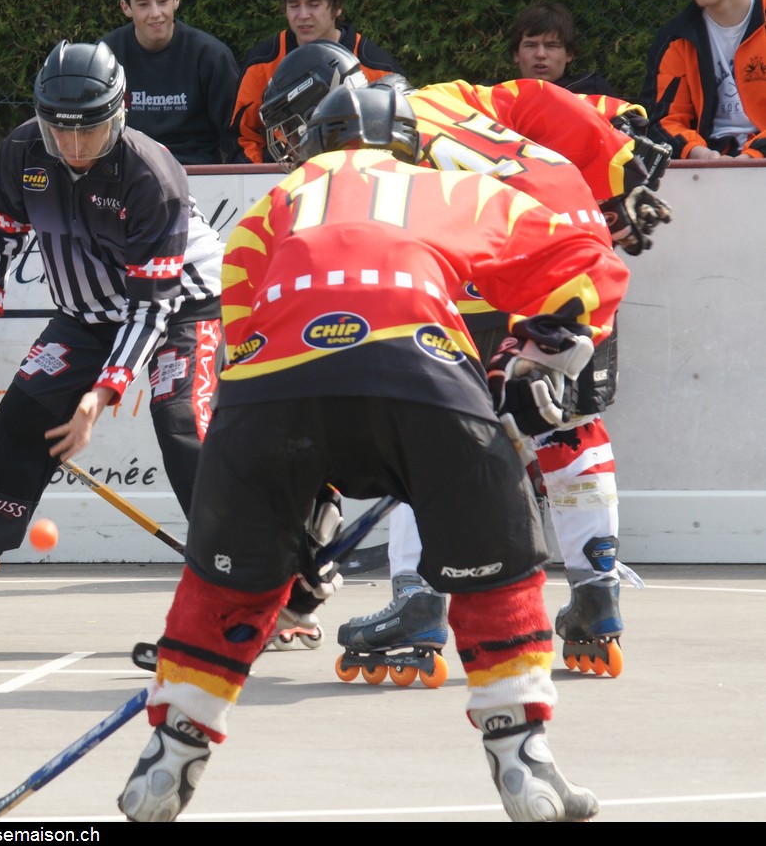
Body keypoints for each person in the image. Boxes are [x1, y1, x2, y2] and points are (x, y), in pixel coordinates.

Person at [118, 83, 627, 823]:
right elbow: (585, 256)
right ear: (409, 145)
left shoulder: (271, 206)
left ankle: (172, 752)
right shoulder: (449, 188)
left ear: (313, 144)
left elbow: (243, 333)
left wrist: (297, 518)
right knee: (499, 564)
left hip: (270, 394)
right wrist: (537, 354)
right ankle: (523, 757)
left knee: (223, 583)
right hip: (421, 376)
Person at [258, 42, 673, 674]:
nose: (292, 148)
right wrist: (619, 173)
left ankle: (418, 602)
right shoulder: (447, 95)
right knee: (570, 427)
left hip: (495, 266)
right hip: (580, 251)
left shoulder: (365, 159)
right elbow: (548, 102)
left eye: (295, 127)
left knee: (414, 428)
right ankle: (598, 598)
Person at [0, 40, 224, 630]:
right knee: (21, 418)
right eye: (60, 130)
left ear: (121, 113)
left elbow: (150, 310)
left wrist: (99, 396)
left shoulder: (151, 175)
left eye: (90, 130)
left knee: (182, 422)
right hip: (86, 314)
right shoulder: (24, 151)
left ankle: (250, 578)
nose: (74, 147)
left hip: (182, 305)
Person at [229, 0, 401, 166]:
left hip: (356, 174)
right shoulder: (262, 63)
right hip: (281, 176)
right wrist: (262, 173)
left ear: (337, 7)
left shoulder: (376, 66)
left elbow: (400, 136)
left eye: (313, 5)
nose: (303, 15)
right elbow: (242, 136)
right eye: (294, 6)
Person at [100, 0, 245, 165]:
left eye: (162, 1)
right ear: (126, 8)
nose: (155, 13)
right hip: (128, 171)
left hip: (196, 171)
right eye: (143, 4)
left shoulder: (211, 56)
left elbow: (238, 135)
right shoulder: (105, 56)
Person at [642, 0, 766, 160]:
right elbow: (661, 120)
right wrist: (699, 154)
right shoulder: (675, 39)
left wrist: (752, 157)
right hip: (705, 165)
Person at [508, 1, 621, 98]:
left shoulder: (594, 92)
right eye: (531, 45)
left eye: (551, 46)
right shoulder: (501, 100)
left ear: (569, 53)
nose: (540, 54)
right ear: (516, 54)